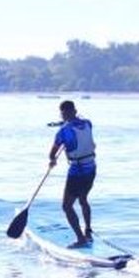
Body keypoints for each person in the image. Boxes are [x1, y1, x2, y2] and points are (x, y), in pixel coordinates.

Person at [48, 100, 97, 248]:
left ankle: (81, 239)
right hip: (91, 168)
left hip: (77, 171)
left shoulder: (63, 131)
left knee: (67, 206)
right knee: (83, 199)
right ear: (75, 111)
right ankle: (88, 231)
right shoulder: (88, 123)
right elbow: (79, 124)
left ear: (62, 113)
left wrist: (52, 160)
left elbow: (52, 153)